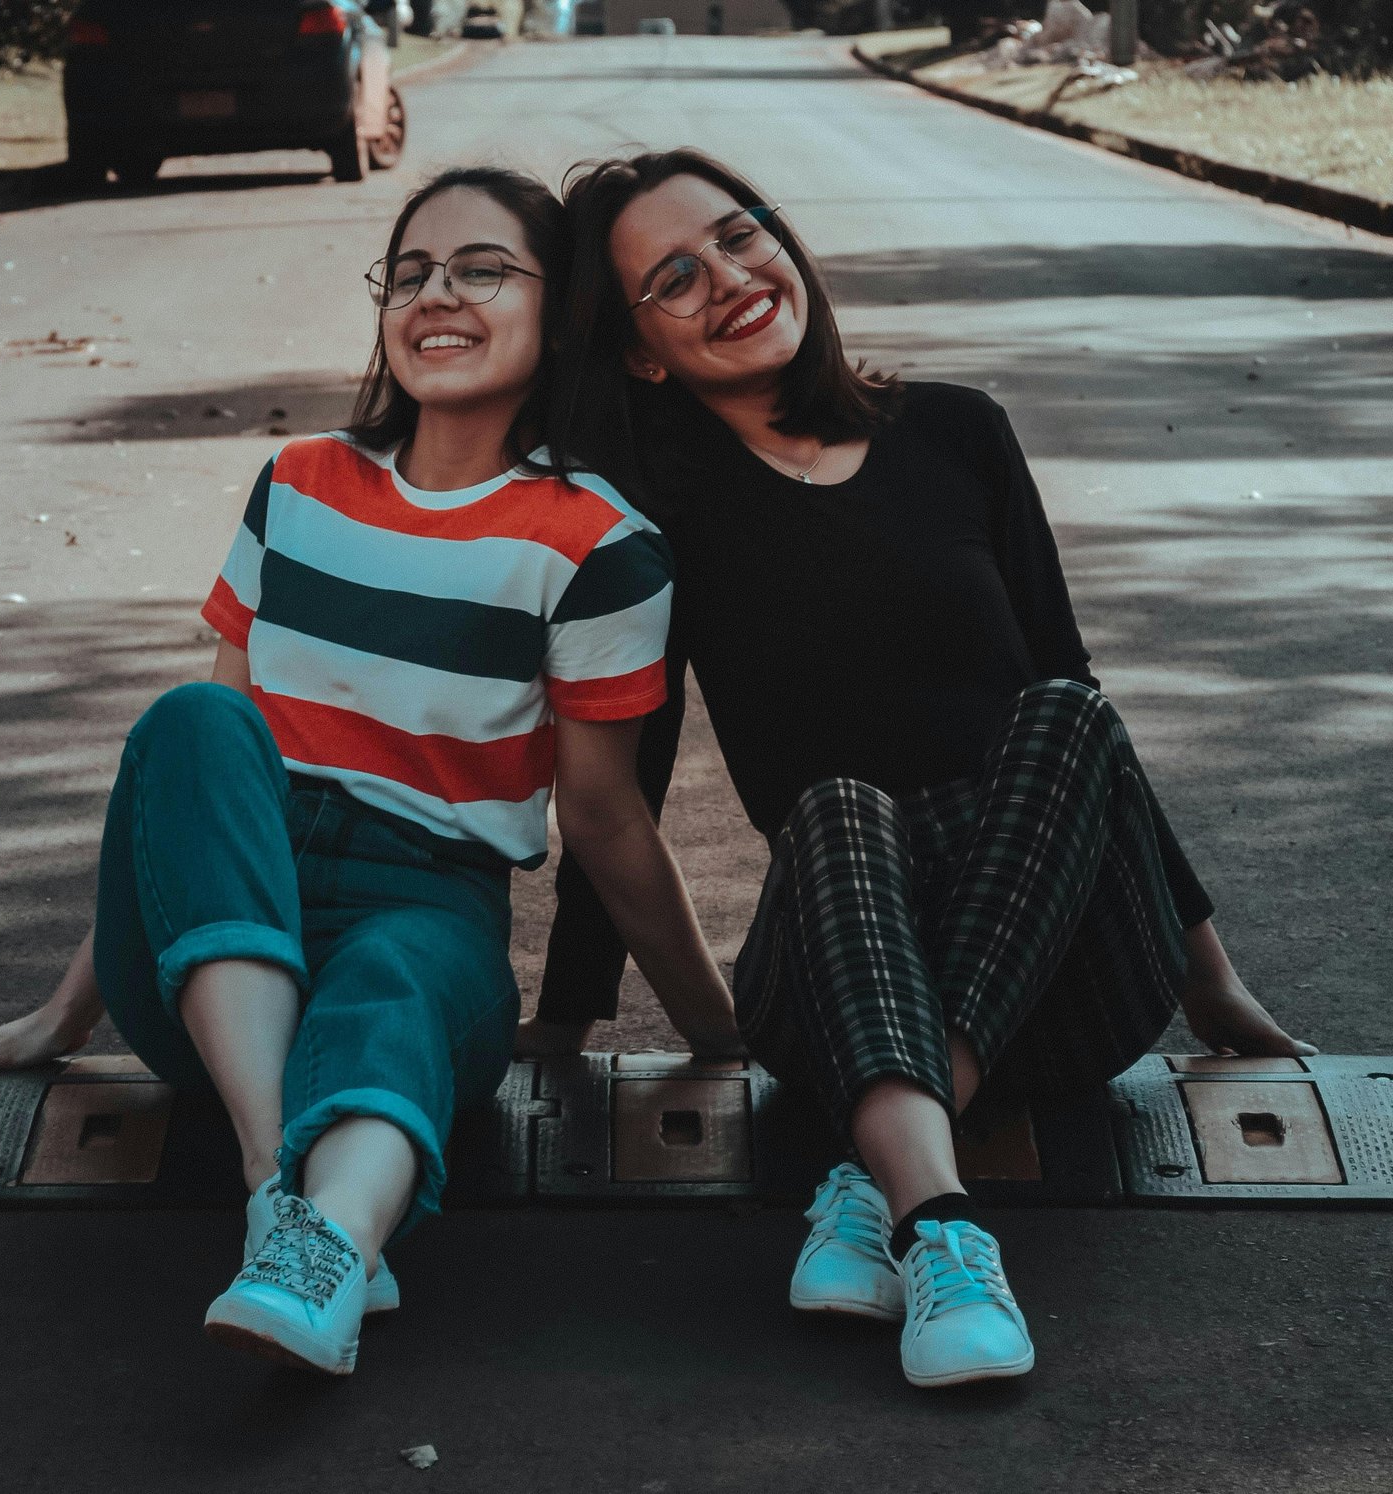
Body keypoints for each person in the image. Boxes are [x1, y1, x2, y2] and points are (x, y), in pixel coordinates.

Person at [0, 165, 738, 1377]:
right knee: (195, 720)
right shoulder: (298, 484)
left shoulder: (599, 545)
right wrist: (64, 1012)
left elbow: (606, 819)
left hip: (426, 906)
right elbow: (194, 808)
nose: (435, 295)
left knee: (396, 983)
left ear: (556, 310)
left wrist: (720, 1031)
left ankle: (328, 1253)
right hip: (216, 947)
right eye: (409, 274)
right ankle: (276, 1188)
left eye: (479, 269)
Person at [533, 149, 1316, 1389]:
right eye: (674, 279)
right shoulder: (655, 519)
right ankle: (943, 1234)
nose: (731, 278)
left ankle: (879, 1166)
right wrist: (572, 1009)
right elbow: (623, 780)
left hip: (1059, 977)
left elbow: (1079, 697)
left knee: (1064, 713)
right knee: (839, 806)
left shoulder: (957, 430)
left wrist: (1208, 981)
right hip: (840, 969)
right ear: (637, 353)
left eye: (740, 237)